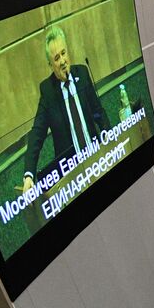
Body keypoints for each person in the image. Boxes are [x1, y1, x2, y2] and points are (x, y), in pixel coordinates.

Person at [22, 24, 111, 187]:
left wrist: (107, 133)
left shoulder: (82, 74)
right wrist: (29, 174)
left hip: (97, 160)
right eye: (56, 58)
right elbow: (37, 134)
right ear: (50, 64)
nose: (62, 61)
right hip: (72, 175)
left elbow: (98, 112)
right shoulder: (48, 92)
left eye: (64, 53)